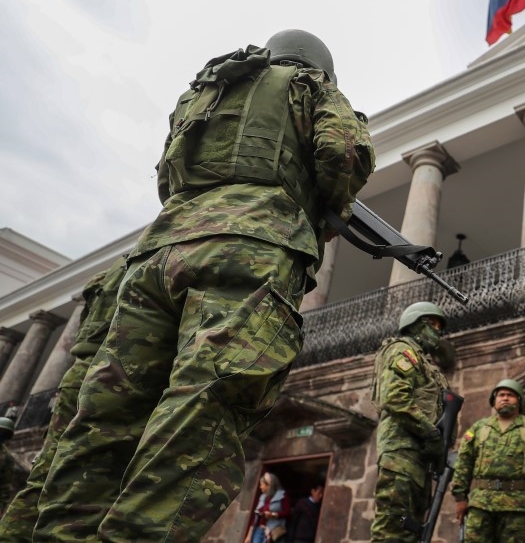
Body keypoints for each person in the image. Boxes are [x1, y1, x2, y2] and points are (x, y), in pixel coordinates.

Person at [32, 30, 376, 541]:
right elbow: (343, 152)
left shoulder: (209, 87)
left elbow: (169, 173)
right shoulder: (309, 85)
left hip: (160, 252)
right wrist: (319, 215)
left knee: (103, 422)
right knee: (203, 410)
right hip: (252, 248)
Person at [0, 257, 125, 541]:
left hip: (80, 373)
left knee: (45, 475)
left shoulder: (108, 272)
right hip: (118, 375)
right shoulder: (165, 259)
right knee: (90, 481)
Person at [370, 301, 453, 542]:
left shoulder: (425, 363)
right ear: (416, 325)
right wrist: (431, 434)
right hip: (401, 455)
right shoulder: (402, 351)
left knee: (409, 535)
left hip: (418, 459)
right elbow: (395, 398)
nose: (438, 331)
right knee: (392, 532)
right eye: (433, 324)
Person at [451, 378, 525, 542]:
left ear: (519, 400)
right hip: (481, 505)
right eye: (501, 395)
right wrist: (460, 498)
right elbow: (463, 463)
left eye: (510, 395)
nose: (505, 398)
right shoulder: (479, 428)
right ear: (494, 400)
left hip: (516, 507)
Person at [245, 471, 289, 543]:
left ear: (269, 485)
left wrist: (273, 515)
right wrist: (249, 536)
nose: (260, 487)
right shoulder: (263, 497)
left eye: (262, 485)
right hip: (259, 531)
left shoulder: (282, 495)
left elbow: (287, 512)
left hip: (274, 531)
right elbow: (255, 518)